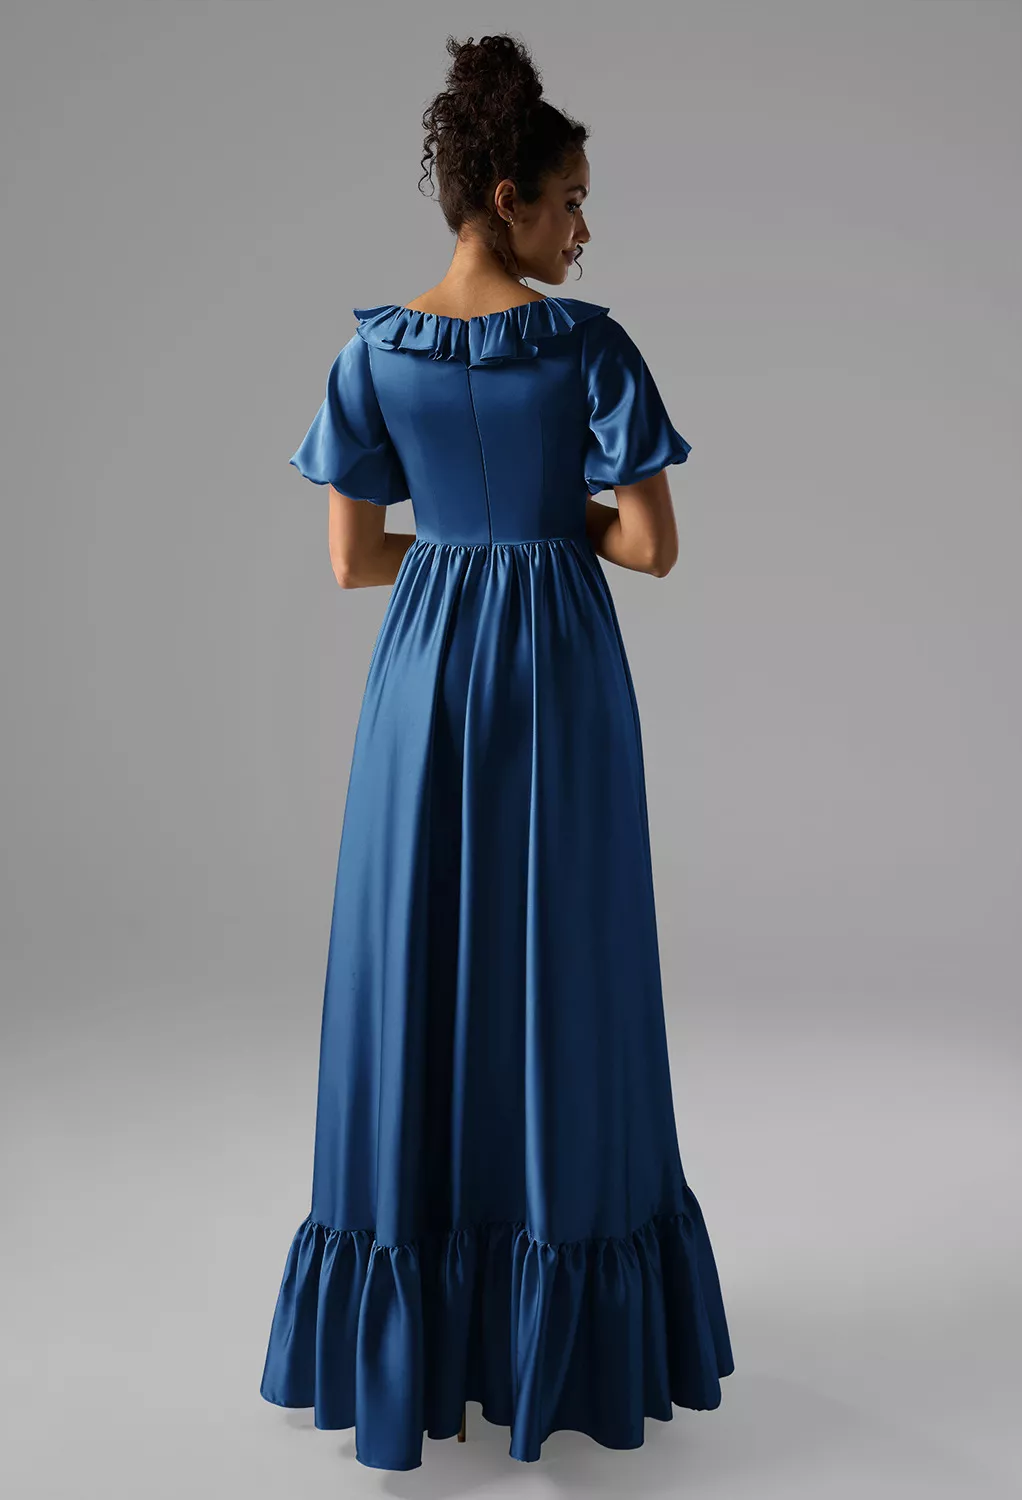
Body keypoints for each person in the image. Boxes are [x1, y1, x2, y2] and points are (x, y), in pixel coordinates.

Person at [259, 29, 734, 1473]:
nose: (584, 231)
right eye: (571, 202)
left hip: (423, 680)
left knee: (417, 965)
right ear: (507, 196)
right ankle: (556, 1326)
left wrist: (465, 541)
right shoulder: (584, 347)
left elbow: (355, 562)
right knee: (561, 970)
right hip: (557, 674)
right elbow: (649, 545)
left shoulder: (369, 353)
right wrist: (547, 522)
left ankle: (418, 1334)